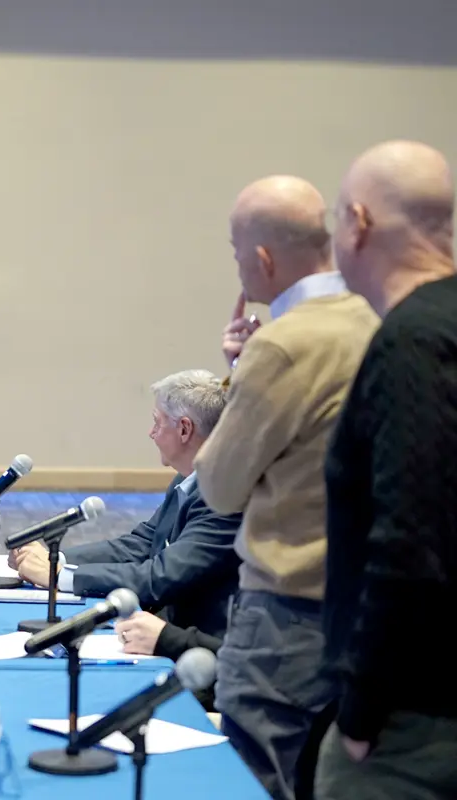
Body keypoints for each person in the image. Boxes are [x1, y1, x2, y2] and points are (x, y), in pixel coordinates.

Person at [193, 175, 380, 800]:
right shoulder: (378, 320)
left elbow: (218, 485)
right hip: (363, 610)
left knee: (257, 779)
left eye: (234, 250)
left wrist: (240, 379)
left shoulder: (283, 344)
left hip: (285, 616)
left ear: (263, 258)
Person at [314, 140, 457, 800]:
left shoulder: (412, 343)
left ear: (359, 224)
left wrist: (362, 708)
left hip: (412, 719)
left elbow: (408, 541)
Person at [9, 370, 243, 675]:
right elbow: (143, 543)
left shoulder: (222, 496)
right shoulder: (187, 479)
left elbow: (160, 576)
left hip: (203, 662)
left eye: (157, 422)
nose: (151, 433)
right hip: (168, 638)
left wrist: (61, 576)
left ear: (185, 429)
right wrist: (58, 559)